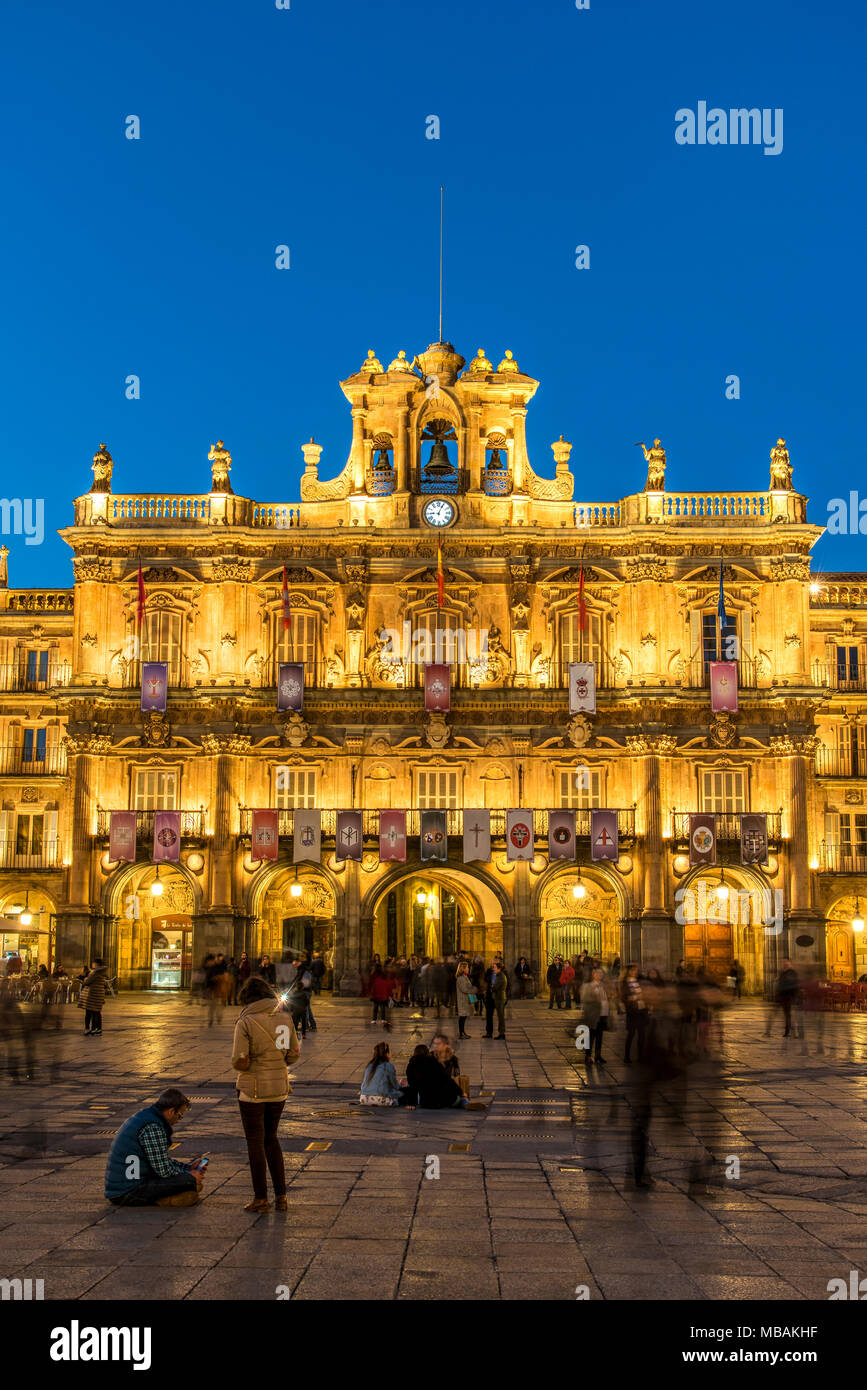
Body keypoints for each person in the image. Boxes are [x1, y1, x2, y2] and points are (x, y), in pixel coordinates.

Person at [232, 976, 301, 1213]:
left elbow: (239, 1060)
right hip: (279, 1088)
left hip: (253, 1090)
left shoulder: (246, 1021)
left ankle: (261, 1198)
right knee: (271, 1139)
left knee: (255, 1143)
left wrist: (247, 1064)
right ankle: (282, 1196)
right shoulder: (285, 1018)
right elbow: (293, 1055)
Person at [104, 1088, 207, 1207]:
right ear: (171, 1111)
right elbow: (164, 1171)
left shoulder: (146, 1117)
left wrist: (188, 1168)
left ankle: (171, 1195)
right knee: (189, 1182)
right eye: (180, 1116)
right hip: (129, 1191)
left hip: (122, 1187)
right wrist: (190, 1176)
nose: (178, 1121)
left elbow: (161, 1161)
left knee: (190, 1181)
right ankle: (165, 1200)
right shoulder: (153, 1127)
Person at [405, 1043, 467, 1108]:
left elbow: (412, 1086)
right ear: (427, 1052)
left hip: (427, 1103)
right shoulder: (433, 1062)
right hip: (444, 1100)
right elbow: (447, 1079)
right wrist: (460, 1092)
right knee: (461, 1099)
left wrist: (411, 1104)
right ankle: (465, 1102)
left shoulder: (411, 1066)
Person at [359, 1041, 409, 1106]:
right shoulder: (388, 1066)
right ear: (387, 1053)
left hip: (364, 1099)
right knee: (405, 1093)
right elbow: (395, 1086)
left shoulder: (369, 1065)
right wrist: (402, 1085)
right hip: (381, 1099)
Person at [580, 967, 609, 1064]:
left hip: (603, 1013)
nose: (599, 975)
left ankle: (598, 1055)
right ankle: (588, 1056)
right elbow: (585, 999)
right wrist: (594, 999)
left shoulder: (603, 985)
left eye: (600, 973)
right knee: (591, 1036)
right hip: (593, 1014)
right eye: (596, 973)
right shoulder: (588, 986)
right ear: (593, 974)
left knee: (600, 1036)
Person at [620, 963, 647, 1063]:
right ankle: (627, 1056)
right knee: (631, 1034)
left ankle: (640, 1056)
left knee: (642, 1034)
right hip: (633, 1011)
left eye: (636, 970)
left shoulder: (638, 981)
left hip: (641, 1010)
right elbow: (624, 998)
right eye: (632, 970)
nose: (635, 972)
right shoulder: (625, 983)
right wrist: (636, 997)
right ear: (628, 971)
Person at [80, 958, 107, 1036]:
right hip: (98, 995)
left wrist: (85, 978)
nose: (92, 964)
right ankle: (96, 1029)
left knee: (89, 1012)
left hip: (92, 995)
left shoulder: (95, 972)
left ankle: (88, 1028)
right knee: (96, 1012)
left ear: (96, 964)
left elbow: (87, 982)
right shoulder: (102, 972)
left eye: (93, 963)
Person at [486, 958, 508, 1039]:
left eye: (495, 967)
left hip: (499, 998)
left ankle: (501, 1033)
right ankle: (493, 1032)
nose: (493, 969)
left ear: (499, 968)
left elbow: (494, 987)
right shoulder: (499, 975)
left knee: (500, 1016)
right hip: (496, 997)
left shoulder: (501, 976)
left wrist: (492, 987)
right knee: (497, 1015)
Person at [455, 959, 473, 1038]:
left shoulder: (465, 977)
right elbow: (464, 989)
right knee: (462, 1017)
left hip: (465, 1000)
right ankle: (461, 1034)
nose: (468, 969)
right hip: (462, 1000)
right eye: (467, 968)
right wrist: (473, 989)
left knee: (464, 1017)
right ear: (463, 969)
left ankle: (463, 1032)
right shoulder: (461, 978)